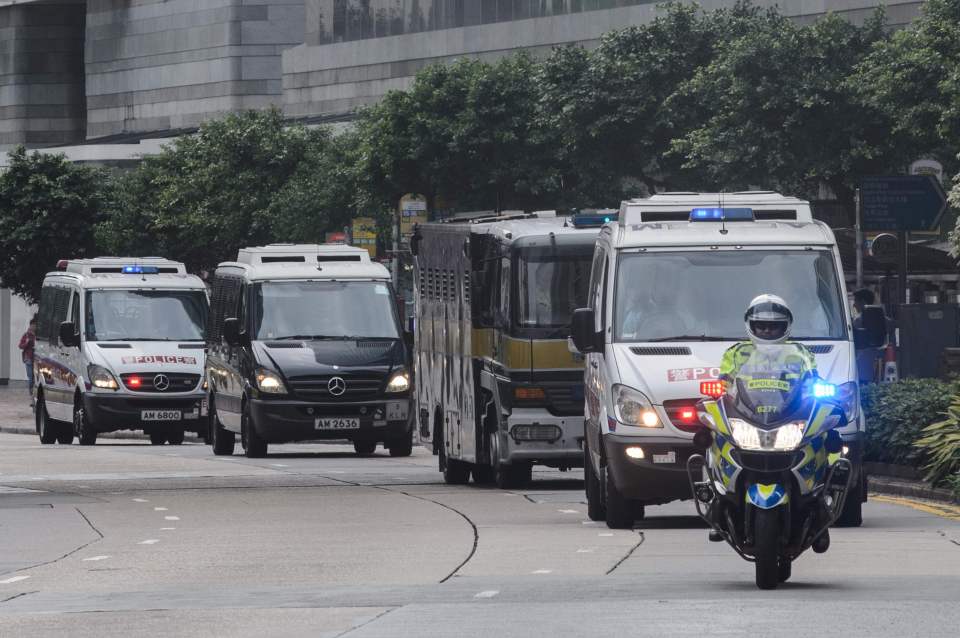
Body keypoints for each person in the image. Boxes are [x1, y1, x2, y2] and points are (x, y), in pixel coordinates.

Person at [852, 288, 881, 384]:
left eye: (856, 301)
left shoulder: (858, 320)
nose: (854, 304)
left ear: (863, 302)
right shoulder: (881, 319)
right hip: (875, 367)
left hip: (861, 367)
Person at [18, 315, 37, 404]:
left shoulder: (37, 335)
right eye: (33, 325)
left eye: (35, 325)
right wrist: (26, 343)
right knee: (30, 378)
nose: (34, 327)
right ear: (30, 325)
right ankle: (31, 396)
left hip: (37, 359)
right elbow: (20, 346)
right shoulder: (26, 335)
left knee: (35, 379)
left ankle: (34, 398)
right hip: (28, 359)